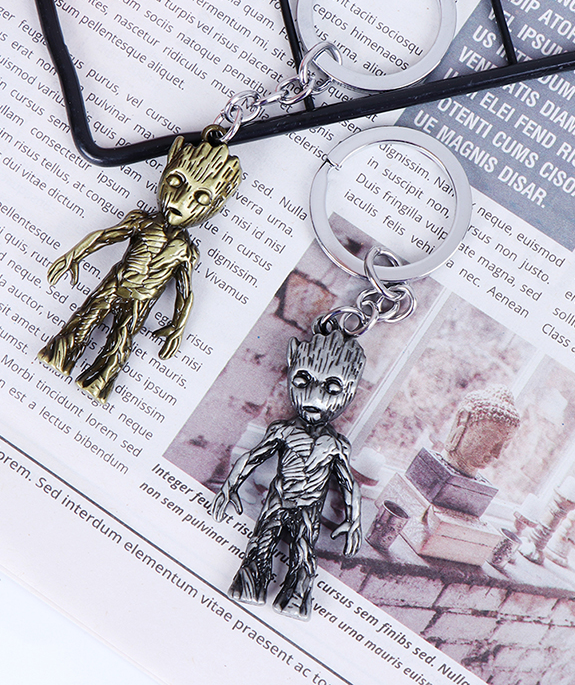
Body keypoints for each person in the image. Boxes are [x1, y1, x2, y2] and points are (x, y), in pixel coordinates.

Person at [39, 132, 241, 402]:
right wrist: (74, 255)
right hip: (115, 284)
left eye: (201, 198)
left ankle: (99, 382)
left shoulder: (185, 251)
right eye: (175, 181)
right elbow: (105, 235)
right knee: (83, 321)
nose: (180, 201)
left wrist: (178, 326)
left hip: (141, 301)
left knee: (120, 342)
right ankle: (58, 356)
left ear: (217, 205)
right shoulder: (142, 222)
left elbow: (185, 291)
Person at [213, 329, 365, 620]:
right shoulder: (283, 431)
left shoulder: (336, 445)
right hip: (278, 500)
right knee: (260, 546)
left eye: (332, 387)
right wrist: (230, 487)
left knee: (304, 555)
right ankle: (248, 587)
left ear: (350, 390)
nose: (314, 396)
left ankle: (296, 600)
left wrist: (354, 520)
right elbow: (251, 457)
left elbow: (349, 484)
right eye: (303, 381)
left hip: (309, 509)